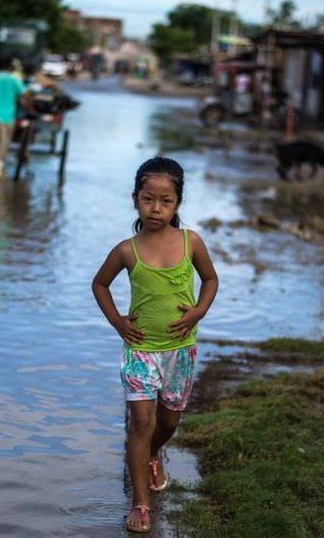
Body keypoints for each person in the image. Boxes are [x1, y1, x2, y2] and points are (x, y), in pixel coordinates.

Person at [91, 157, 219, 533]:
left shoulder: (191, 242)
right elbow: (100, 284)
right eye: (148, 199)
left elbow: (211, 280)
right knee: (141, 422)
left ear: (178, 203)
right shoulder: (126, 250)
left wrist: (198, 311)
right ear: (135, 199)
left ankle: (151, 454)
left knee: (169, 421)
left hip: (180, 349)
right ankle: (140, 503)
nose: (156, 209)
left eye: (166, 201)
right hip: (140, 350)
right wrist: (117, 322)